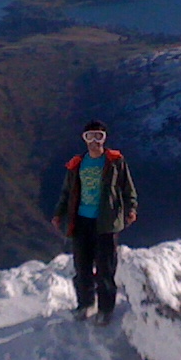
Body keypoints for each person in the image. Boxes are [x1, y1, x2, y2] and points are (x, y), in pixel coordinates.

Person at [52, 119, 138, 325]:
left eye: (98, 136)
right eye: (89, 136)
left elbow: (128, 188)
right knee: (82, 267)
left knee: (105, 268)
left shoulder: (115, 162)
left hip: (106, 223)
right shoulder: (77, 164)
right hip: (81, 222)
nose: (94, 141)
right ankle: (85, 304)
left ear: (105, 138)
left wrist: (131, 208)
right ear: (84, 140)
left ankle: (105, 308)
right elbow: (67, 192)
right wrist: (59, 213)